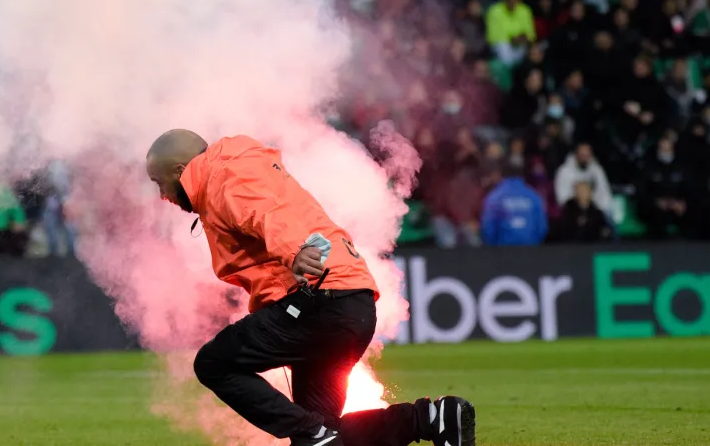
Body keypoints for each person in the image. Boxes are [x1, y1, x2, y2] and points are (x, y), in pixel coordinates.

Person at [145, 130, 474, 446]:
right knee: (324, 435)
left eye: (160, 183)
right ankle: (431, 419)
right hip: (350, 301)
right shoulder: (238, 164)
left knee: (214, 363)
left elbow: (269, 213)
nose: (162, 195)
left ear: (180, 169)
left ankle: (314, 435)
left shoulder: (222, 176)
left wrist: (297, 251)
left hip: (318, 301)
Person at [480, 163, 548, 246]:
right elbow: (542, 228)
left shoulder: (494, 197)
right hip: (530, 251)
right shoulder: (534, 197)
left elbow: (488, 229)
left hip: (502, 252)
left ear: (502, 175)